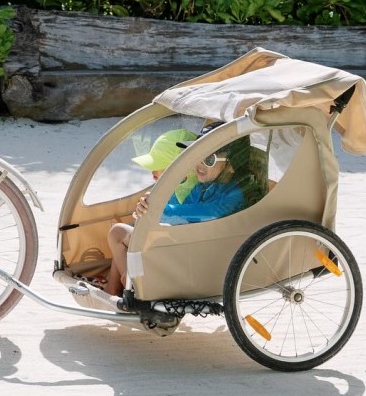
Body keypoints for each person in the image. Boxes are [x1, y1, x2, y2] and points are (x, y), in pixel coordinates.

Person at [104, 121, 255, 297]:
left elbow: (207, 213)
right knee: (130, 231)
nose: (199, 164)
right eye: (197, 156)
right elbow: (181, 211)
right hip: (190, 244)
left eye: (208, 159)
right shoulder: (204, 186)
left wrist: (158, 208)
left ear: (231, 163)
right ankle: (117, 288)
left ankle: (129, 284)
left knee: (118, 233)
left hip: (199, 256)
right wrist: (150, 207)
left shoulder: (235, 194)